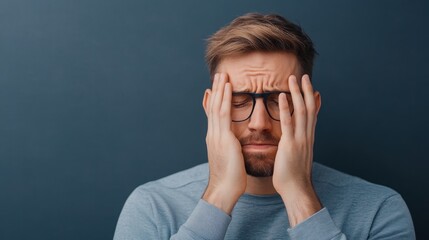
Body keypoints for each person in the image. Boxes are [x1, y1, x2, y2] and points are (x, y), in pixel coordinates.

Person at [113, 13, 415, 240]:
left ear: (312, 106)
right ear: (210, 107)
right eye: (239, 100)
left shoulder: (379, 210)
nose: (259, 123)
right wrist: (219, 195)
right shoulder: (152, 207)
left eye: (279, 99)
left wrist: (298, 194)